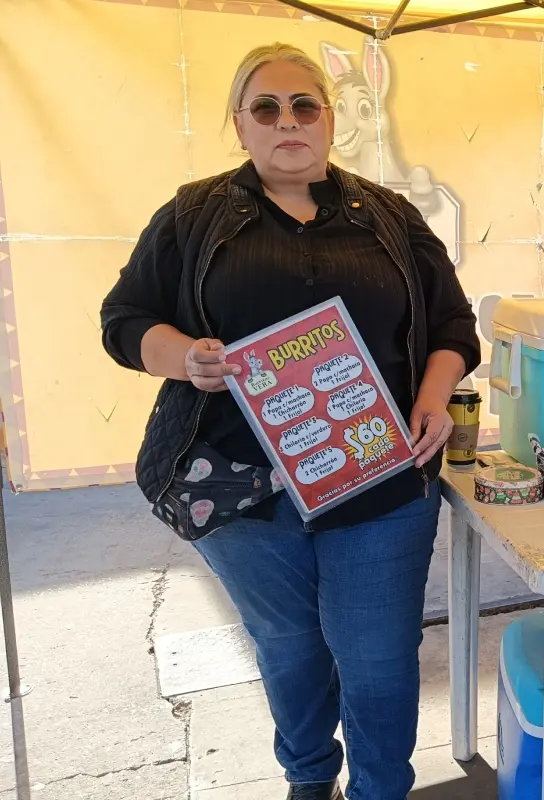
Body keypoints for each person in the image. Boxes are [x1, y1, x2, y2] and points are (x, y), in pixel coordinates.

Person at [100, 43, 480, 800]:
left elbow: (454, 324)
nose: (287, 122)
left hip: (377, 479)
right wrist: (184, 359)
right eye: (265, 108)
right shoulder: (191, 216)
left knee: (375, 657)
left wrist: (433, 396)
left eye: (304, 105)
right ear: (240, 125)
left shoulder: (390, 216)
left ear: (330, 118)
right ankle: (309, 781)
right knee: (290, 648)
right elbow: (124, 320)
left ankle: (380, 789)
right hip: (238, 487)